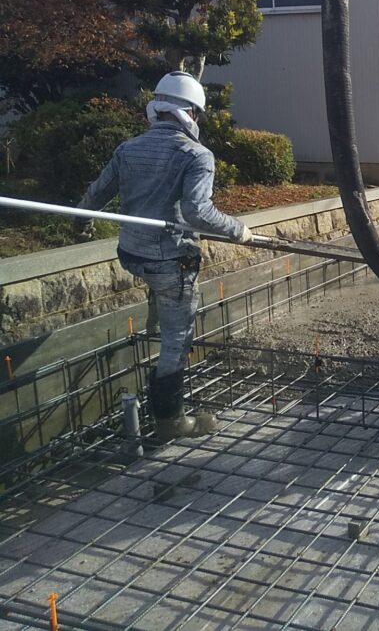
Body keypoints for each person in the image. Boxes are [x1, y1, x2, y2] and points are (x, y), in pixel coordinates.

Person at [76, 71, 253, 440]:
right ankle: (170, 421)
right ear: (192, 113)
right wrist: (238, 230)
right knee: (178, 338)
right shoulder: (196, 155)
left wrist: (82, 223)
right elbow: (197, 212)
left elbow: (96, 194)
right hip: (170, 261)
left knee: (164, 297)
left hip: (131, 253)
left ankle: (158, 315)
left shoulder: (127, 149)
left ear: (157, 108)